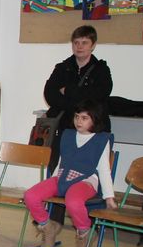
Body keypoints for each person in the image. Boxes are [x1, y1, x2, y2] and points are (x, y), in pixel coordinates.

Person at [24, 100, 116, 247]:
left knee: (73, 201)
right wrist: (52, 183)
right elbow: (62, 162)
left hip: (86, 181)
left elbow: (104, 170)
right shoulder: (67, 135)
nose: (79, 121)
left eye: (84, 118)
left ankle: (84, 233)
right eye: (77, 116)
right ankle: (48, 228)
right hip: (63, 177)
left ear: (95, 119)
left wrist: (109, 197)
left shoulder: (101, 140)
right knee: (30, 196)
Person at [43, 25, 112, 172]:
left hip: (92, 131)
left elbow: (99, 95)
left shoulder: (101, 70)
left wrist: (68, 90)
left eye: (84, 42)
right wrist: (79, 99)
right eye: (76, 42)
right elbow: (50, 94)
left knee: (87, 171)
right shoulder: (62, 68)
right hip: (64, 128)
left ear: (93, 45)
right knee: (58, 169)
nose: (79, 46)